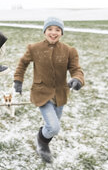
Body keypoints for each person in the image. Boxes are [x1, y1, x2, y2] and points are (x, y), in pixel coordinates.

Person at [12, 17, 85, 164]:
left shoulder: (69, 51)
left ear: (61, 33)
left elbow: (76, 69)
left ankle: (44, 136)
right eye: (50, 29)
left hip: (60, 95)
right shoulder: (34, 48)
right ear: (45, 31)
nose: (53, 32)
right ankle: (42, 143)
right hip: (41, 93)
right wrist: (18, 80)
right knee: (54, 127)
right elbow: (22, 64)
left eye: (57, 30)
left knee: (52, 126)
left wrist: (77, 80)